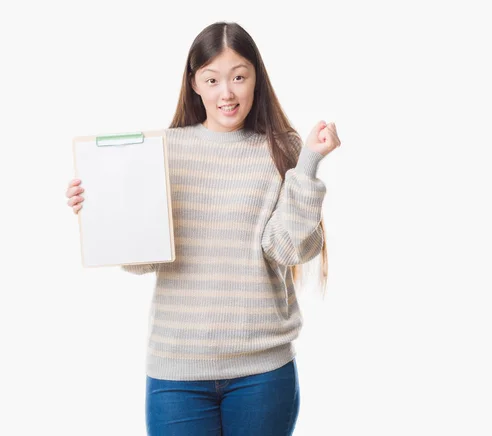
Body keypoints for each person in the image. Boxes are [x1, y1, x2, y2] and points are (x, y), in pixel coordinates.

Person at [65, 21, 341, 436]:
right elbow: (141, 263)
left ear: (255, 79)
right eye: (211, 79)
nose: (225, 93)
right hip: (176, 373)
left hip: (262, 371)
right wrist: (99, 209)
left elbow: (287, 249)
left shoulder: (281, 148)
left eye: (238, 77)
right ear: (194, 83)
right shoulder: (163, 149)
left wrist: (309, 163)